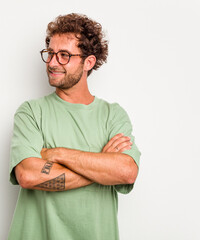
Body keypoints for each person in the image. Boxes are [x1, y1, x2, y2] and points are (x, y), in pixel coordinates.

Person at [8, 13, 141, 240]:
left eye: (64, 56)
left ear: (88, 62)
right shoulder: (31, 112)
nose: (52, 62)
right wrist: (101, 167)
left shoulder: (112, 115)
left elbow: (127, 172)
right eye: (50, 54)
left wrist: (57, 154)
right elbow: (28, 175)